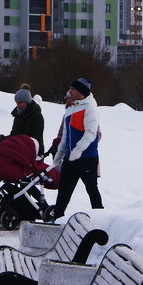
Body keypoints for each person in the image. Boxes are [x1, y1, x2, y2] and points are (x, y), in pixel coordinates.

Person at [51, 76, 103, 217]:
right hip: (70, 159)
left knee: (92, 190)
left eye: (72, 89)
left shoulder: (90, 108)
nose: (69, 91)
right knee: (63, 192)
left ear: (80, 91)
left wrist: (78, 150)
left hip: (87, 159)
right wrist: (59, 155)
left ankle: (101, 220)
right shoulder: (70, 109)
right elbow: (65, 137)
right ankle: (57, 219)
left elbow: (91, 133)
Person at [8, 84, 45, 153]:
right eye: (17, 103)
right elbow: (14, 134)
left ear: (27, 102)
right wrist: (4, 139)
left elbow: (36, 139)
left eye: (20, 102)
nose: (18, 105)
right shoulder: (17, 115)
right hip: (18, 151)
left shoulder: (37, 116)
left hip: (33, 154)